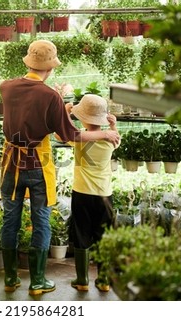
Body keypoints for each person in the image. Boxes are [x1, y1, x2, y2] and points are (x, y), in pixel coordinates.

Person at [0, 40, 120, 296]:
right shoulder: (51, 96)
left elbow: (28, 105)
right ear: (50, 68)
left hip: (10, 164)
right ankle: (38, 282)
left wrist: (55, 100)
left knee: (10, 219)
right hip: (38, 167)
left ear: (29, 62)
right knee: (41, 221)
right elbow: (70, 135)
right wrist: (105, 134)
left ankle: (10, 278)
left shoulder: (6, 87)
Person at [67, 94, 118, 293]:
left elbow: (62, 133)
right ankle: (104, 280)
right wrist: (112, 127)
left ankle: (82, 279)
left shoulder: (79, 138)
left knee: (82, 234)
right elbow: (115, 137)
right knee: (103, 236)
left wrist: (67, 112)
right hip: (104, 195)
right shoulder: (111, 140)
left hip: (81, 193)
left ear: (84, 119)